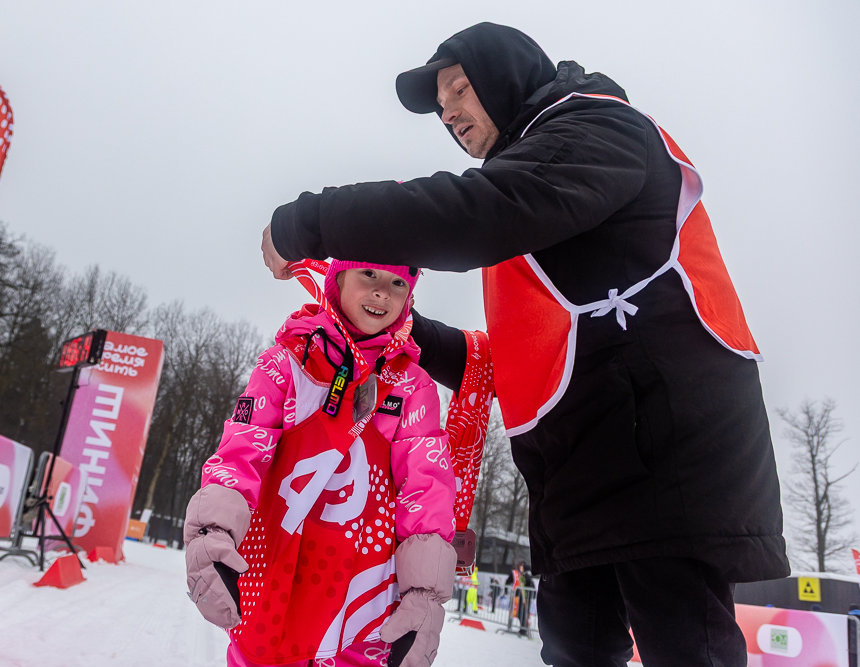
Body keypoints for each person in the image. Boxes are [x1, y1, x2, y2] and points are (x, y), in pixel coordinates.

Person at [260, 22, 789, 666]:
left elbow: (477, 214)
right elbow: (505, 361)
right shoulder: (538, 183)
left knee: (683, 644)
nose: (448, 112)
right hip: (582, 472)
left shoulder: (596, 128)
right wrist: (391, 326)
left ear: (507, 77)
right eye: (441, 104)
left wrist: (310, 222)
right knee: (575, 650)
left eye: (458, 88)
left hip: (663, 455)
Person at [184, 261, 458, 667]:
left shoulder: (412, 386)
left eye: (398, 282)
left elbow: (426, 488)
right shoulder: (286, 363)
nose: (383, 292)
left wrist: (424, 595)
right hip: (274, 574)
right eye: (370, 275)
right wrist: (213, 535)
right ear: (338, 278)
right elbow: (241, 452)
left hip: (362, 597)